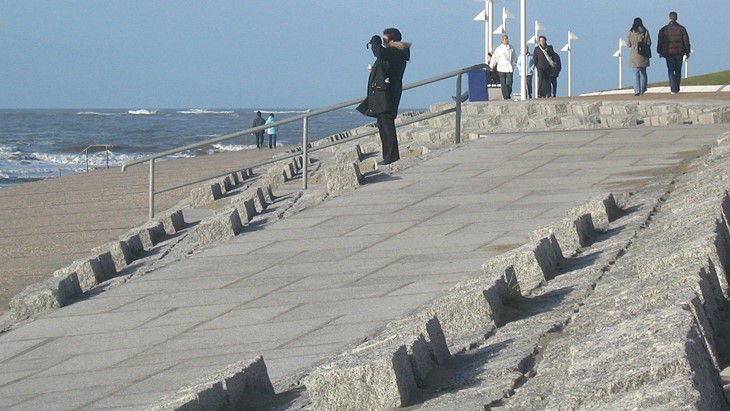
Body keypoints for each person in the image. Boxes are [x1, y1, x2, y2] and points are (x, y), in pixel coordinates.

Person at [356, 27, 411, 165]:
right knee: (383, 125)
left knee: (387, 126)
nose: (383, 42)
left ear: (392, 40)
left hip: (387, 94)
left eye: (385, 40)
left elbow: (379, 52)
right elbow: (384, 62)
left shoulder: (396, 51)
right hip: (383, 93)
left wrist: (375, 41)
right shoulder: (393, 53)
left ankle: (391, 156)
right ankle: (388, 156)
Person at [657, 11, 690, 94]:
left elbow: (660, 41)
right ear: (676, 18)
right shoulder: (682, 29)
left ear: (669, 18)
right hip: (679, 52)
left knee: (671, 70)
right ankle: (677, 87)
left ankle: (673, 88)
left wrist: (659, 51)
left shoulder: (664, 29)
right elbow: (686, 41)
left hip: (669, 53)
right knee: (678, 70)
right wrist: (687, 51)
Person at [627, 17, 651, 96]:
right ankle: (643, 90)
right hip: (643, 55)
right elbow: (649, 42)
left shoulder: (630, 32)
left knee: (635, 73)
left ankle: (637, 90)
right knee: (643, 73)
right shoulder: (645, 31)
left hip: (634, 55)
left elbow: (628, 44)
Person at [489, 35, 517, 100]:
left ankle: (508, 93)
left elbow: (514, 56)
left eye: (507, 39)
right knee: (503, 82)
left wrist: (514, 63)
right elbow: (494, 58)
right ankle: (505, 96)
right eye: (505, 39)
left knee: (510, 81)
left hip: (509, 67)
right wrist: (491, 66)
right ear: (502, 40)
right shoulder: (499, 49)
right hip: (501, 67)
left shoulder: (511, 48)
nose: (507, 40)